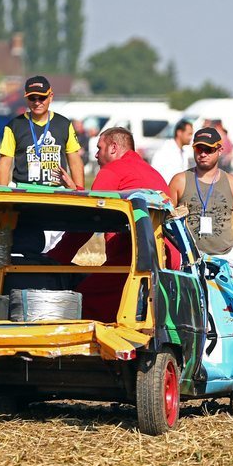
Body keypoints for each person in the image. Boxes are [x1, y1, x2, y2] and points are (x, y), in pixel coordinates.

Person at [49, 127, 177, 321]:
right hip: (165, 263)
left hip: (133, 261)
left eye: (100, 148)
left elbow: (88, 221)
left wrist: (55, 259)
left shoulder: (112, 171)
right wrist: (77, 191)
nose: (96, 154)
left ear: (113, 148)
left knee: (83, 301)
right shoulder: (153, 173)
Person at [168, 127, 233, 285]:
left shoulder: (232, 183)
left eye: (208, 149)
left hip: (224, 261)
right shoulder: (180, 181)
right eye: (199, 149)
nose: (203, 154)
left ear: (220, 150)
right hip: (189, 261)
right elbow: (165, 222)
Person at [0, 75, 85, 188]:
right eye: (32, 98)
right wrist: (1, 198)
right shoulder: (14, 126)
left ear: (51, 97)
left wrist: (80, 192)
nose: (37, 102)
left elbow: (75, 162)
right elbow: (5, 163)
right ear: (26, 98)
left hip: (57, 193)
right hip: (23, 193)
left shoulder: (64, 124)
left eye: (42, 98)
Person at [150, 119, 194, 183]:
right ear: (179, 133)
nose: (191, 137)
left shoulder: (183, 151)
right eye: (189, 134)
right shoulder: (165, 151)